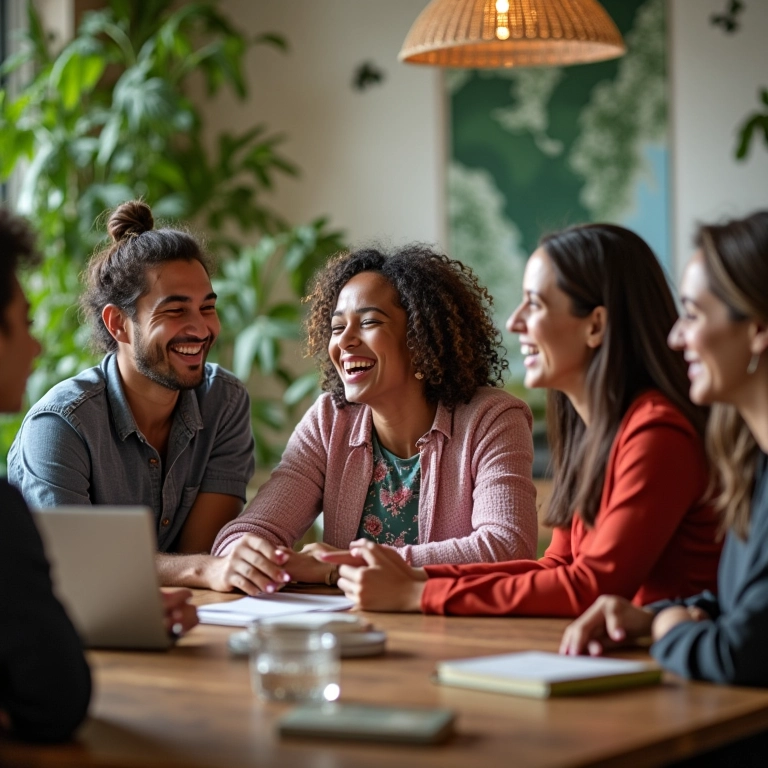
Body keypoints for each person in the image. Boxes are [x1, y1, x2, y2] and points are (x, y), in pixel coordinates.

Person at [322, 224, 722, 615]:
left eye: (535, 304)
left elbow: (590, 586)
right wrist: (419, 582)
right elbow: (556, 567)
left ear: (595, 325)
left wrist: (417, 595)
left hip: (678, 670)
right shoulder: (594, 433)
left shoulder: (657, 433)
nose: (514, 322)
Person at [210, 245, 539, 593]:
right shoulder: (329, 421)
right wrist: (247, 557)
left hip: (451, 632)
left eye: (369, 322)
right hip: (350, 632)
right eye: (337, 328)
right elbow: (241, 538)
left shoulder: (493, 419)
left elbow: (507, 548)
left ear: (419, 338)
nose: (345, 341)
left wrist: (339, 566)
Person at [0, 207, 197, 742]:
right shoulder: (51, 435)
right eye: (24, 325)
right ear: (119, 324)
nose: (37, 347)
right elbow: (56, 701)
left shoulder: (218, 398)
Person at [560, 211, 768, 688]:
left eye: (692, 316)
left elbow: (741, 654)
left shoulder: (660, 432)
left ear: (756, 329)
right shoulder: (750, 463)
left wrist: (663, 627)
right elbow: (746, 606)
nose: (676, 337)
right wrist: (658, 613)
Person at [8, 200, 255, 590]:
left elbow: (202, 555)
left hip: (189, 621)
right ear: (119, 324)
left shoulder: (223, 401)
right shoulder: (60, 424)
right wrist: (199, 571)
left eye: (207, 308)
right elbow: (75, 564)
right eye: (175, 311)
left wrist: (200, 571)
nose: (201, 328)